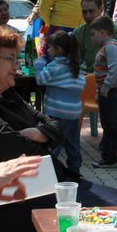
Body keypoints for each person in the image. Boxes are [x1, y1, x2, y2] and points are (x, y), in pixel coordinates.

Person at [0, 25, 117, 232]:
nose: (16, 66)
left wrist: (37, 133)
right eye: (10, 59)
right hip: (13, 200)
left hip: (49, 186)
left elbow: (56, 126)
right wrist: (43, 139)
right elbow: (17, 149)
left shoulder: (8, 94)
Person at [34, 31, 85, 173]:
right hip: (73, 113)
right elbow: (80, 85)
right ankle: (75, 172)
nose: (48, 50)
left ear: (59, 49)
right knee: (72, 144)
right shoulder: (75, 67)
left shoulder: (54, 67)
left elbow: (40, 80)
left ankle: (48, 172)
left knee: (53, 143)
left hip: (56, 113)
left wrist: (39, 65)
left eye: (50, 47)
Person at [89, 15, 117, 167]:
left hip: (114, 91)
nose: (91, 38)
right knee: (108, 125)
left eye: (93, 34)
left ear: (103, 32)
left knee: (115, 125)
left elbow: (115, 68)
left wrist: (106, 87)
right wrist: (99, 91)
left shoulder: (111, 47)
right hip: (108, 92)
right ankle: (108, 157)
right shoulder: (107, 47)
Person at [71, 0, 117, 73]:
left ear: (101, 9)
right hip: (86, 75)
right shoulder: (78, 32)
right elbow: (74, 60)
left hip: (109, 76)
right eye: (84, 12)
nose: (87, 16)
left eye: (91, 11)